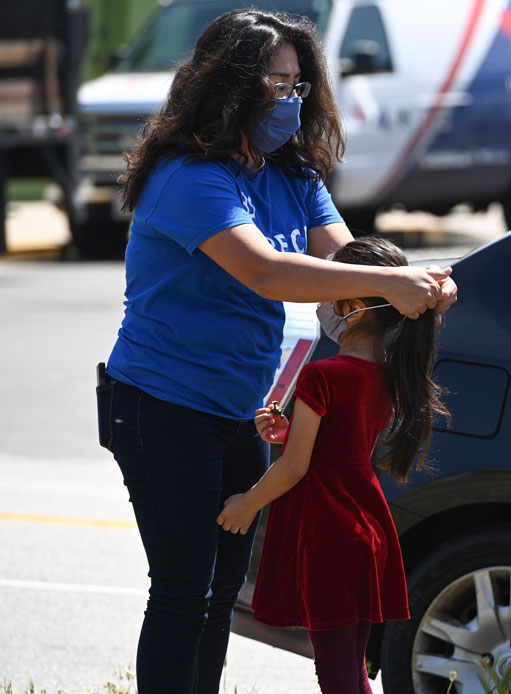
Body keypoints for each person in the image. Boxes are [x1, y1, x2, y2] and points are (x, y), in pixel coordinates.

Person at [101, 9, 456, 694]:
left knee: (218, 595)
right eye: (275, 83)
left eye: (298, 85)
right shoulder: (188, 177)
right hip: (160, 407)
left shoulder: (292, 175)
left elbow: (345, 265)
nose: (289, 99)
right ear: (229, 85)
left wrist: (423, 281)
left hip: (239, 412)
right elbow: (267, 271)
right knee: (183, 591)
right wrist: (389, 282)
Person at [216, 236, 447, 694]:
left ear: (355, 306)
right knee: (353, 669)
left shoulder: (324, 374)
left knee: (336, 674)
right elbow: (335, 440)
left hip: (329, 535)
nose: (322, 305)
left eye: (330, 296)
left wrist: (246, 503)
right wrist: (285, 430)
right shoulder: (387, 375)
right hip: (368, 529)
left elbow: (294, 468)